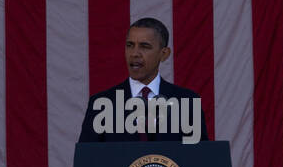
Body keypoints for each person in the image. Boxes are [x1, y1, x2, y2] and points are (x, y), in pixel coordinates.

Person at [78, 18, 208, 144]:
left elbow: (199, 160)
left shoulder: (188, 102)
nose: (134, 53)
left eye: (144, 46)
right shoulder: (101, 105)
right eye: (130, 45)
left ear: (164, 54)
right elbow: (88, 162)